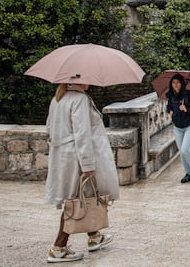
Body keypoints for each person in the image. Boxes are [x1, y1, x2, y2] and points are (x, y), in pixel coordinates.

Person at [45, 83, 117, 262]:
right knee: (75, 201)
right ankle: (59, 247)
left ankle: (94, 236)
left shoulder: (58, 98)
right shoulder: (80, 99)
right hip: (76, 157)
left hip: (63, 156)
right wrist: (88, 165)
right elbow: (82, 133)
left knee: (83, 197)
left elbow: (49, 128)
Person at [167, 73, 190, 183]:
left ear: (181, 84)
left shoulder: (188, 94)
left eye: (177, 83)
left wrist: (186, 109)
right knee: (181, 152)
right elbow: (169, 106)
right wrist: (170, 111)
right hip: (177, 127)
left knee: (185, 150)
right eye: (173, 83)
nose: (175, 85)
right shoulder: (171, 96)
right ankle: (187, 173)